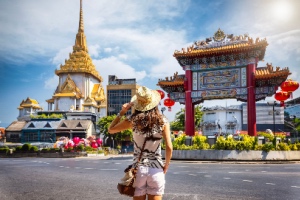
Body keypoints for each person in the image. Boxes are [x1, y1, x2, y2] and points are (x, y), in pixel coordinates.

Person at [108, 86, 173, 200]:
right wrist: (166, 165)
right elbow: (169, 146)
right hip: (156, 168)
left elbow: (111, 129)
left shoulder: (132, 120)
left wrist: (122, 112)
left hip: (139, 170)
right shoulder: (163, 120)